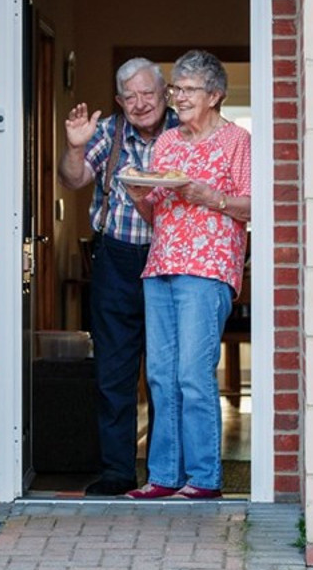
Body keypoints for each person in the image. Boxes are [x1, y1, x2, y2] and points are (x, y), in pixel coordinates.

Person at [123, 49, 251, 501]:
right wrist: (139, 193)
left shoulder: (238, 141)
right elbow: (157, 212)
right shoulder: (168, 143)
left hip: (209, 266)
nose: (177, 97)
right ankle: (163, 475)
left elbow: (253, 205)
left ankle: (204, 478)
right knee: (160, 374)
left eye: (188, 89)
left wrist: (209, 197)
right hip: (161, 265)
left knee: (193, 375)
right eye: (175, 88)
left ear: (214, 95)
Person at [58, 57, 178, 496]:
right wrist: (74, 146)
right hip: (116, 259)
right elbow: (73, 180)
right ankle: (117, 472)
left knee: (170, 372)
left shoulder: (184, 131)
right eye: (130, 96)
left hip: (172, 260)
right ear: (119, 100)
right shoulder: (107, 132)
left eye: (148, 93)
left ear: (164, 94)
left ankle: (170, 473)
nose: (140, 103)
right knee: (113, 371)